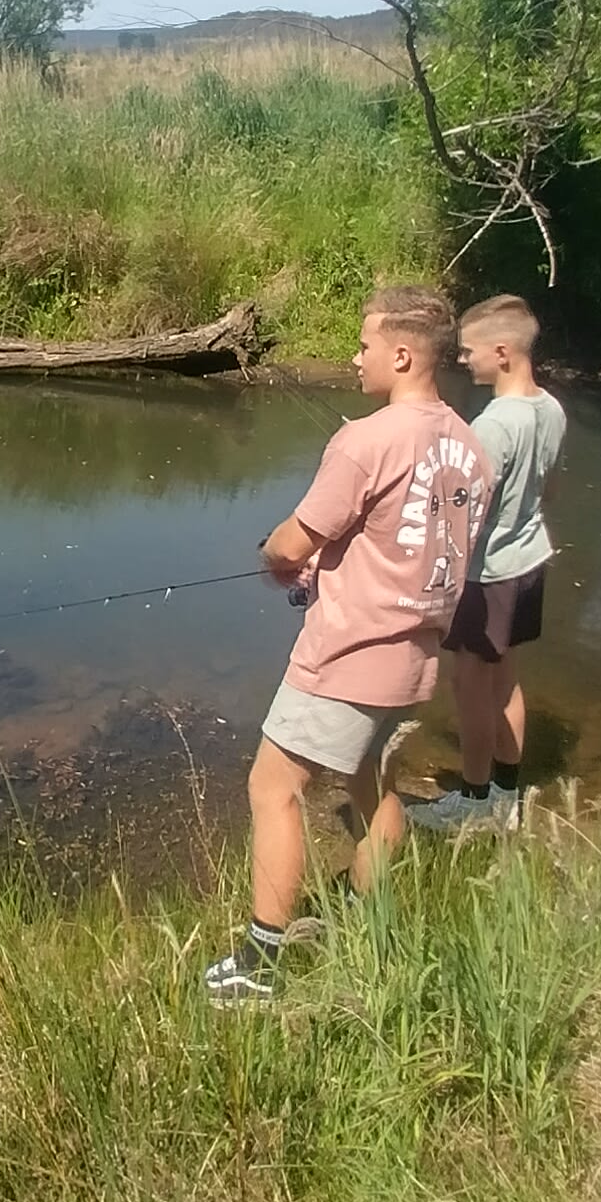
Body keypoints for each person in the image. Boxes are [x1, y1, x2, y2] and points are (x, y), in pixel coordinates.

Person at [202, 286, 490, 1003]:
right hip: (415, 658)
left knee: (273, 789)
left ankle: (260, 965)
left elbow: (292, 542)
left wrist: (278, 557)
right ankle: (368, 916)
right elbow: (413, 543)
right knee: (368, 782)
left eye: (363, 346)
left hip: (346, 656)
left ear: (401, 353)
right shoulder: (472, 447)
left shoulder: (364, 441)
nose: (352, 356)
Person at [407, 294, 566, 834]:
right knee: (506, 682)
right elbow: (545, 488)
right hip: (529, 560)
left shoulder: (496, 424)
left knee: (471, 688)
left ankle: (473, 802)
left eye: (470, 352)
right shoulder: (550, 408)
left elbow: (463, 508)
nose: (463, 360)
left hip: (488, 573)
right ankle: (506, 794)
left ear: (502, 353)